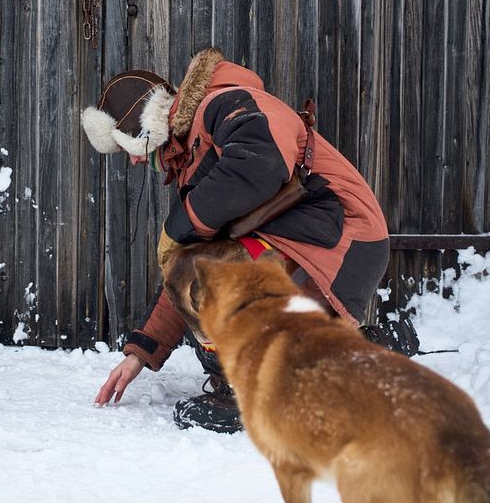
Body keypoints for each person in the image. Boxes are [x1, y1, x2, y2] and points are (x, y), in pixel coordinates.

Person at [81, 47, 392, 432]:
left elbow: (261, 163)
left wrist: (181, 226)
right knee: (192, 269)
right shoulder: (192, 153)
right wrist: (141, 353)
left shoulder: (227, 101)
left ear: (148, 129)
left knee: (199, 275)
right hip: (315, 242)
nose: (133, 161)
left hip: (340, 239)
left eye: (128, 146)